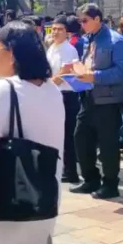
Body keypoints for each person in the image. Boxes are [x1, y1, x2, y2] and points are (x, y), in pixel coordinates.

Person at [0, 21, 64, 244]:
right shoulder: (53, 90)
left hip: (10, 201)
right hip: (45, 198)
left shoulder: (3, 89)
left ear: (12, 53)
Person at [71, 3, 123, 199]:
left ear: (97, 19)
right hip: (88, 97)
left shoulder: (116, 40)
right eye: (80, 21)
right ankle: (90, 179)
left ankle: (110, 184)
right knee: (81, 138)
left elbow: (122, 72)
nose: (82, 25)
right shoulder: (88, 39)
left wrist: (94, 76)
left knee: (108, 144)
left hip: (108, 101)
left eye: (85, 20)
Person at [47, 15, 81, 184]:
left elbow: (64, 73)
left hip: (66, 95)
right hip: (55, 94)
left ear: (67, 32)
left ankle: (71, 171)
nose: (55, 32)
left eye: (59, 29)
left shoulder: (69, 49)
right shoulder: (52, 47)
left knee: (68, 135)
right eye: (53, 29)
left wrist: (46, 86)